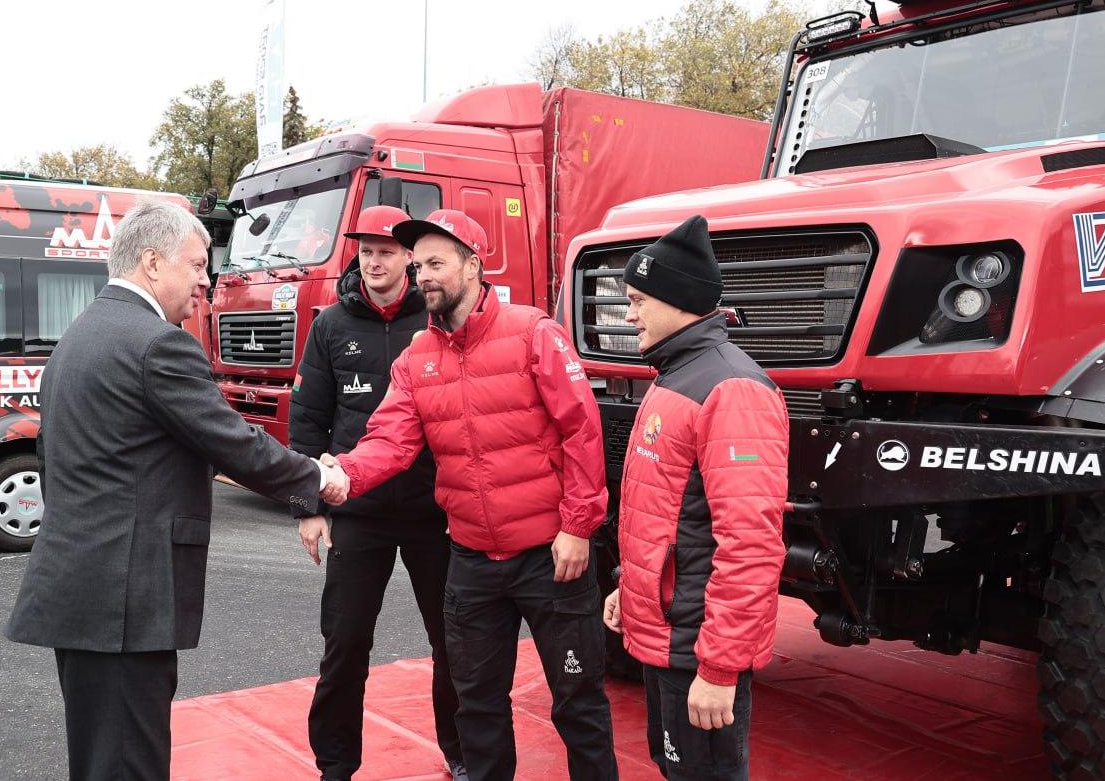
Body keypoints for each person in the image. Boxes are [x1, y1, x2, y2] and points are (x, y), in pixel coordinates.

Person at [5, 199, 347, 781]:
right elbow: (235, 443)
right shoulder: (157, 343)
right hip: (124, 600)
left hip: (86, 591)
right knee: (128, 764)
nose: (206, 281)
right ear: (152, 262)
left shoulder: (80, 335)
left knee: (101, 758)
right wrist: (318, 480)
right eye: (196, 265)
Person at [323, 210, 618, 781]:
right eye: (419, 266)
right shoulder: (417, 357)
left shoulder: (534, 333)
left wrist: (578, 526)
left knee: (578, 704)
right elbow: (390, 440)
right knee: (477, 707)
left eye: (436, 263)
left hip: (550, 557)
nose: (424, 276)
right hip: (472, 561)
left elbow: (582, 429)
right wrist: (344, 475)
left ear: (474, 266)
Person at [601, 215, 789, 780]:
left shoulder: (732, 389)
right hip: (672, 635)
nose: (628, 315)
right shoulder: (676, 374)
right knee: (675, 768)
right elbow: (664, 514)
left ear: (677, 300)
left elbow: (750, 544)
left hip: (696, 646)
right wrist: (629, 588)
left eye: (637, 300)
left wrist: (720, 667)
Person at [291, 205, 465, 780]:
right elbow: (308, 421)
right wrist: (309, 506)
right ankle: (336, 765)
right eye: (365, 251)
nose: (373, 262)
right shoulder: (330, 325)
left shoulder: (436, 316)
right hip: (357, 509)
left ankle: (461, 753)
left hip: (432, 510)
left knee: (453, 641)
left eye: (386, 252)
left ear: (409, 258)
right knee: (344, 644)